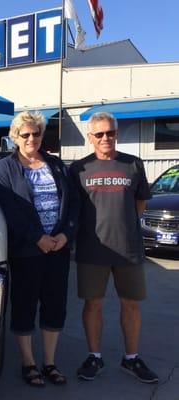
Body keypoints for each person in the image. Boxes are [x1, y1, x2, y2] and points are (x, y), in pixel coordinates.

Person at [69, 111, 159, 384]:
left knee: (131, 305)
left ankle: (131, 359)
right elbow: (74, 209)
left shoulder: (133, 164)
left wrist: (125, 225)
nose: (106, 138)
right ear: (90, 137)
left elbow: (140, 203)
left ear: (116, 134)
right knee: (93, 304)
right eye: (100, 134)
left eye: (110, 132)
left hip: (128, 249)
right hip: (91, 250)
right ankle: (94, 356)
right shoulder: (79, 169)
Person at [0, 111, 79, 387]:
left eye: (36, 133)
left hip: (58, 248)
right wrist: (36, 237)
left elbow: (73, 203)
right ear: (15, 137)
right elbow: (9, 209)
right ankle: (29, 363)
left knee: (55, 305)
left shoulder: (57, 165)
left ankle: (50, 362)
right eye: (25, 134)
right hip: (27, 251)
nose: (32, 138)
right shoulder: (5, 168)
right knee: (25, 304)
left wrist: (65, 235)